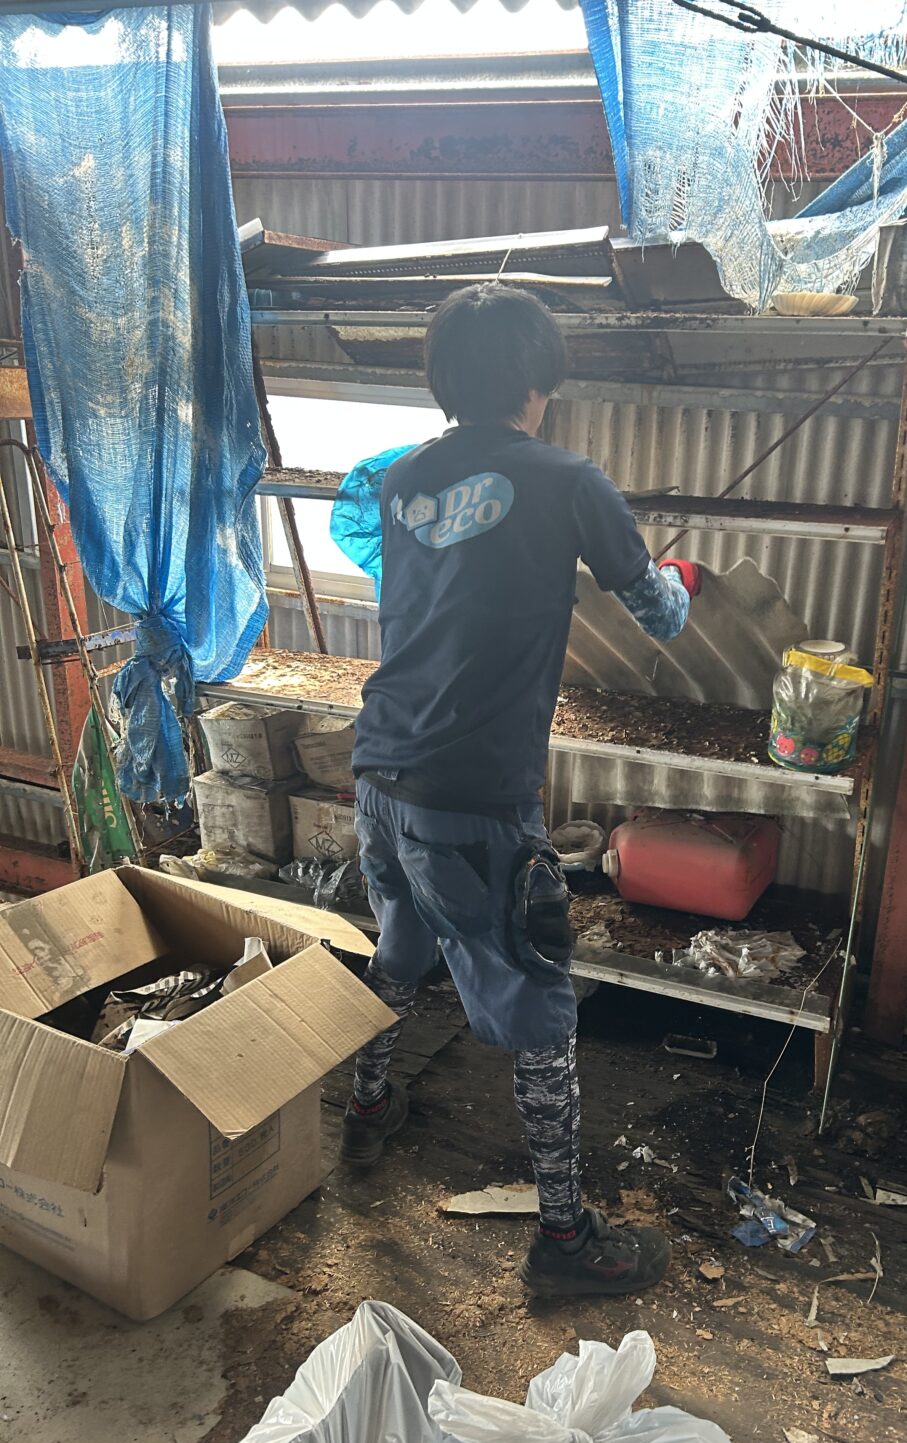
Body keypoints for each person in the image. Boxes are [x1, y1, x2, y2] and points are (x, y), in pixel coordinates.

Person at [344, 282, 700, 1298]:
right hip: (475, 794)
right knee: (543, 1010)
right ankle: (565, 1240)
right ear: (539, 380)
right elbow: (660, 617)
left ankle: (367, 1110)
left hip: (382, 765)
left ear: (442, 379)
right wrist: (679, 577)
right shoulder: (567, 477)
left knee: (400, 949)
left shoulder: (402, 479)